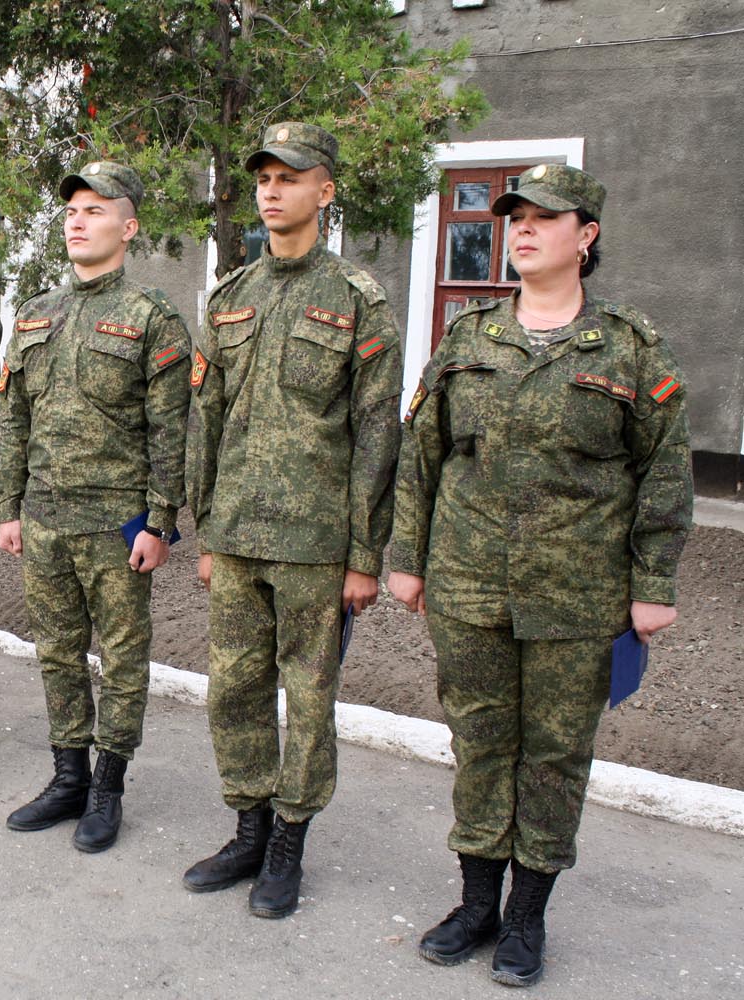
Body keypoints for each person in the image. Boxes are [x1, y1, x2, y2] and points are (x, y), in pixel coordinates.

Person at [387, 163, 692, 987]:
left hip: (577, 594)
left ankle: (527, 917)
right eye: (514, 216)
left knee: (555, 756)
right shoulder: (469, 338)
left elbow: (665, 474)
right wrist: (407, 559)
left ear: (585, 236)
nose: (521, 228)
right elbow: (423, 456)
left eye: (542, 217)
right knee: (480, 743)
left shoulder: (631, 346)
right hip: (469, 583)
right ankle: (476, 904)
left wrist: (653, 584)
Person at [184, 123, 402, 917]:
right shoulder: (229, 296)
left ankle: (289, 843)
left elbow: (377, 433)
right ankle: (248, 827)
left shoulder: (357, 299)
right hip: (239, 536)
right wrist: (207, 530)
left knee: (308, 700)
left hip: (315, 544)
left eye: (290, 176)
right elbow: (207, 419)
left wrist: (364, 556)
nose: (272, 190)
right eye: (264, 178)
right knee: (233, 691)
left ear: (324, 190)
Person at [0, 162, 190, 852]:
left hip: (116, 525)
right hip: (45, 518)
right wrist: (9, 506)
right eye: (72, 210)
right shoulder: (36, 312)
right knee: (56, 653)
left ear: (128, 228)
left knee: (124, 660)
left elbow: (170, 430)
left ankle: (108, 787)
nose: (77, 221)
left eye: (95, 210)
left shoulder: (152, 317)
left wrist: (160, 523)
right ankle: (68, 776)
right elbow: (14, 415)